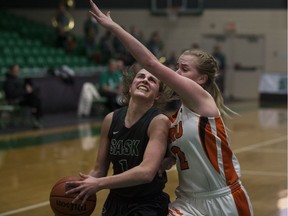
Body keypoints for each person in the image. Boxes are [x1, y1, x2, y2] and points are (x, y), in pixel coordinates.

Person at [86, 1, 254, 215]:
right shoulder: (175, 118)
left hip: (224, 198)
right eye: (177, 67)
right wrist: (166, 161)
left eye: (184, 69)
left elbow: (151, 63)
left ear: (201, 78)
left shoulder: (202, 101)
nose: (177, 73)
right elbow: (180, 155)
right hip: (188, 200)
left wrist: (114, 27)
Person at [66, 65, 173, 215]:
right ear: (130, 87)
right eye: (141, 77)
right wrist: (81, 187)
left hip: (147, 203)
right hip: (115, 201)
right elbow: (99, 169)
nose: (145, 81)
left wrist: (99, 184)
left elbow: (146, 172)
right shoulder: (110, 119)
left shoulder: (158, 121)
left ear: (158, 96)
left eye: (152, 80)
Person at [3, 64, 43, 128]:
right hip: (14, 100)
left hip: (22, 98)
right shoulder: (8, 81)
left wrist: (27, 89)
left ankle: (35, 115)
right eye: (15, 70)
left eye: (18, 70)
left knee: (35, 98)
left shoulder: (18, 80)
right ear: (11, 71)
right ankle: (35, 117)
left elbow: (22, 91)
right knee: (34, 99)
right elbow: (11, 94)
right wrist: (25, 91)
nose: (17, 72)